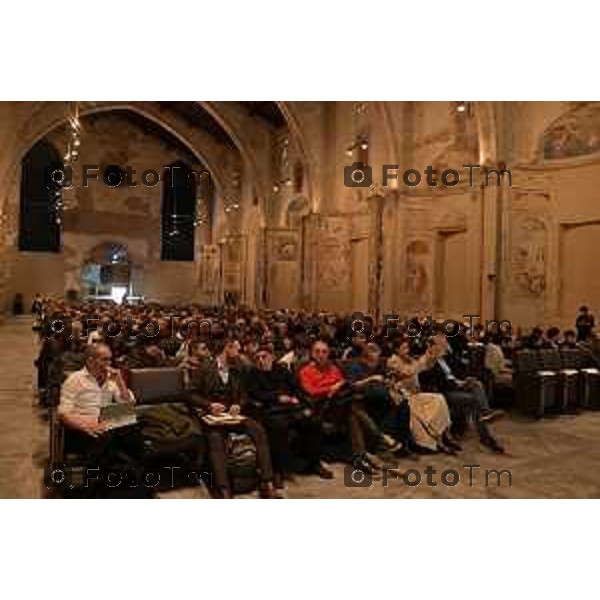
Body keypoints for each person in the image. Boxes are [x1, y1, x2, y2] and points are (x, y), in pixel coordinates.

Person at [186, 339, 281, 499]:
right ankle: (223, 488)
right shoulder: (205, 368)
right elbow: (190, 394)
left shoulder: (239, 369)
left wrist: (238, 404)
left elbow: (243, 394)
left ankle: (267, 482)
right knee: (215, 439)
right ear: (227, 348)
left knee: (258, 430)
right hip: (213, 416)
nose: (240, 352)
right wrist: (209, 405)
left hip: (232, 415)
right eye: (236, 349)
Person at [58, 343, 146, 495]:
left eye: (110, 360)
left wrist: (120, 381)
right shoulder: (74, 380)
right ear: (91, 361)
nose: (109, 364)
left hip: (105, 421)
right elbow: (63, 413)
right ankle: (107, 483)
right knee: (111, 437)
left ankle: (133, 473)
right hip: (82, 426)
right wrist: (86, 426)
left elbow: (128, 404)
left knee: (133, 419)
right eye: (105, 360)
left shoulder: (111, 380)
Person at [245, 344, 333, 486]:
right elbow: (256, 394)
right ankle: (278, 470)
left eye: (264, 357)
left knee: (313, 421)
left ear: (272, 357)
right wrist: (278, 397)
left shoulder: (282, 370)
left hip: (291, 408)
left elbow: (297, 388)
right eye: (258, 358)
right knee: (278, 426)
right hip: (271, 409)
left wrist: (304, 405)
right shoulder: (252, 374)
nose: (261, 361)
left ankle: (314, 463)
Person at [297, 340, 384, 473]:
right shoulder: (305, 371)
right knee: (352, 407)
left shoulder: (333, 368)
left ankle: (360, 457)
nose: (321, 355)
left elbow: (343, 382)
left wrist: (338, 386)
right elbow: (310, 391)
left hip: (341, 404)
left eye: (324, 352)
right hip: (322, 407)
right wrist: (330, 389)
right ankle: (378, 437)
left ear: (328, 354)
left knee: (351, 412)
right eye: (317, 352)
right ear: (312, 354)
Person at [387, 337, 460, 454]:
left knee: (439, 399)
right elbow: (408, 372)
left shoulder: (409, 360)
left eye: (407, 347)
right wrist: (423, 358)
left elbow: (425, 367)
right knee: (417, 414)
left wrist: (431, 356)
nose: (407, 350)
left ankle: (445, 436)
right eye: (404, 348)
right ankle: (436, 443)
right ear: (396, 350)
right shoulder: (393, 361)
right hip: (404, 396)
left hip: (416, 393)